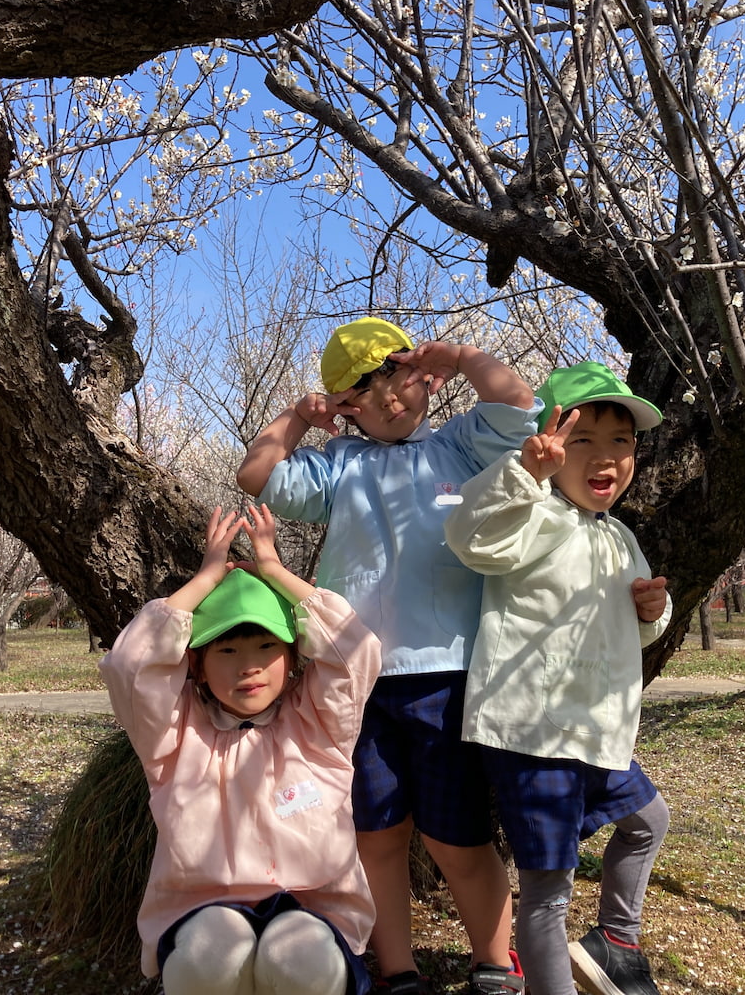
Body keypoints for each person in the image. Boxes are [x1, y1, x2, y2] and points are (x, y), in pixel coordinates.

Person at [236, 316, 540, 994]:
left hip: (448, 675)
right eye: (364, 393)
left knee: (458, 835)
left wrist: (460, 354)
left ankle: (496, 963)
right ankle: (398, 970)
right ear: (346, 407)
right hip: (356, 682)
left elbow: (519, 402)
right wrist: (300, 415)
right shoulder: (337, 466)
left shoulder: (462, 445)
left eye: (398, 380)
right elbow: (255, 473)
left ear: (424, 377)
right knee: (376, 833)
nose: (389, 400)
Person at [442, 361, 673, 995]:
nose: (605, 458)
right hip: (533, 734)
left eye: (620, 441)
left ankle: (616, 940)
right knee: (549, 889)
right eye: (582, 439)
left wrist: (652, 611)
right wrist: (524, 474)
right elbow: (469, 537)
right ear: (548, 442)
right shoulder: (533, 511)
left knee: (648, 821)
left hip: (596, 731)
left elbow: (637, 630)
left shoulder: (618, 536)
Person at [98, 503, 381, 995]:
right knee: (209, 956)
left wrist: (274, 571)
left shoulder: (318, 726)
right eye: (227, 651)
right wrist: (205, 579)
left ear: (292, 656)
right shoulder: (174, 736)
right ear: (197, 665)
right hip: (199, 911)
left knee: (299, 958)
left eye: (266, 648)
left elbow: (356, 652)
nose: (248, 667)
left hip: (314, 910)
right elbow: (130, 668)